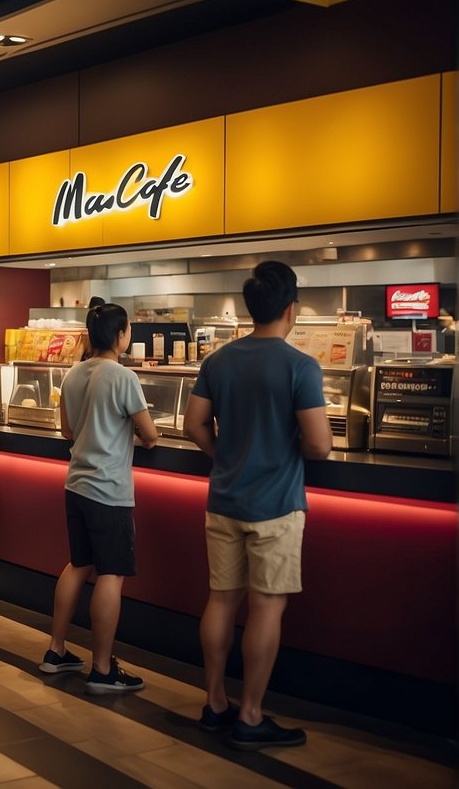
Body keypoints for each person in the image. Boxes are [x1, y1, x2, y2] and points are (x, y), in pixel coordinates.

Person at [183, 261, 331, 750]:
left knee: (221, 598)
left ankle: (214, 703)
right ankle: (250, 715)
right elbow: (320, 445)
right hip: (277, 506)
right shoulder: (300, 366)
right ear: (291, 310)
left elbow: (194, 425)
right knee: (266, 606)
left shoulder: (218, 361)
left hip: (223, 499)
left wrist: (224, 454)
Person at [38, 303, 159, 694]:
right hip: (109, 489)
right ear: (122, 335)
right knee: (110, 573)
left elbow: (67, 430)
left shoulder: (73, 374)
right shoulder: (123, 377)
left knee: (78, 564)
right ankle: (103, 669)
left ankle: (56, 651)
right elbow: (151, 434)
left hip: (76, 484)